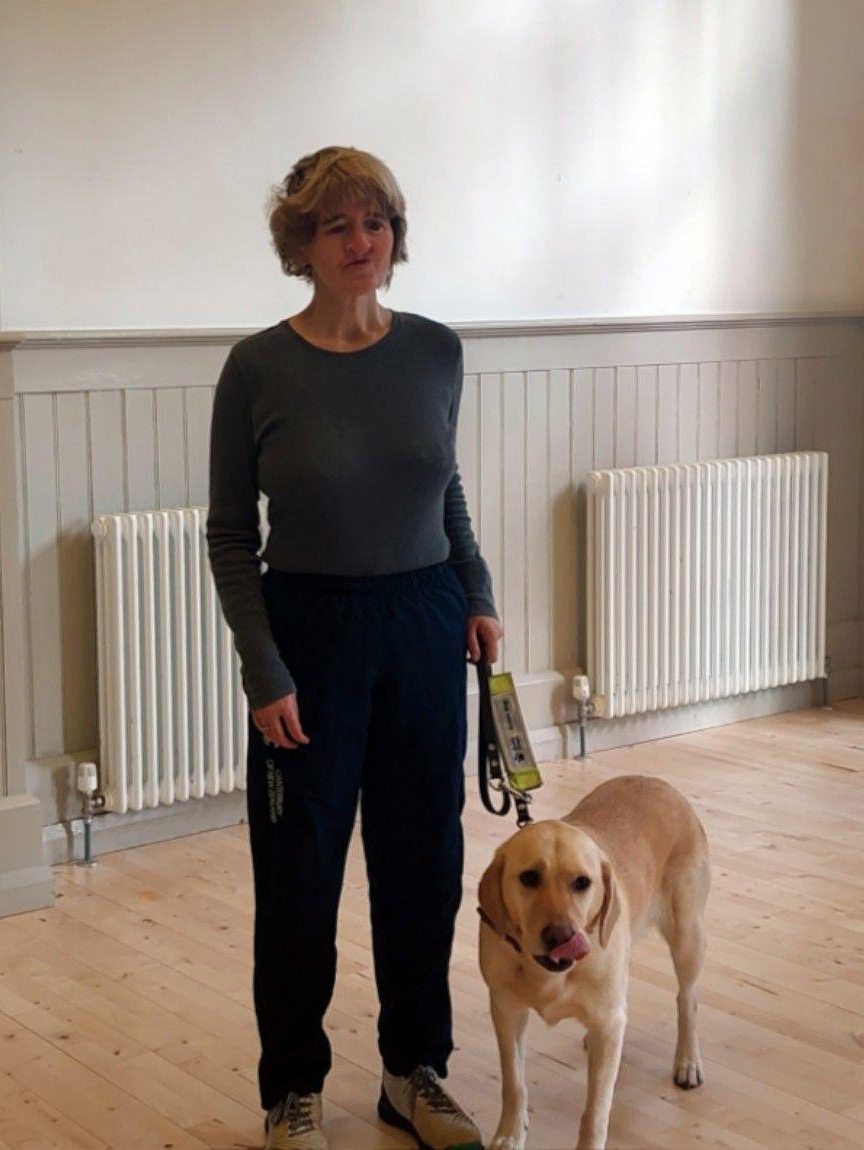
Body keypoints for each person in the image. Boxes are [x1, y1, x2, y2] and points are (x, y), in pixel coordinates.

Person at [206, 145, 503, 1150]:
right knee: (299, 878)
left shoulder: (436, 352)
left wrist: (475, 592)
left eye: (374, 222)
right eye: (335, 225)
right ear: (301, 242)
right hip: (310, 634)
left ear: (394, 234)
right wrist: (263, 670)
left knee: (423, 865)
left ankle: (414, 1072)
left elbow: (444, 487)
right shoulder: (256, 367)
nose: (359, 241)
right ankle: (291, 1090)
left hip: (423, 623)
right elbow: (229, 535)